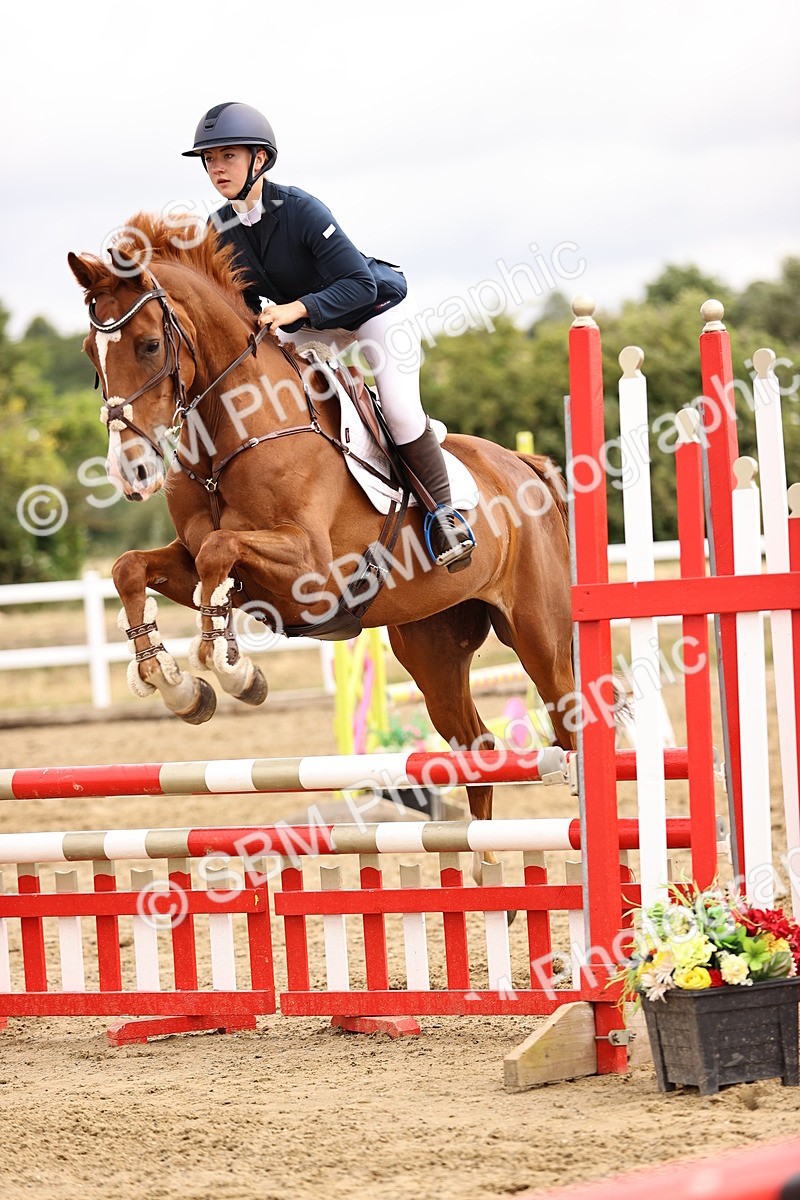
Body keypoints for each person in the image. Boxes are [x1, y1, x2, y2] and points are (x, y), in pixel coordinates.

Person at [183, 101, 475, 572]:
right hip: (309, 326)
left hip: (372, 312)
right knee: (277, 399)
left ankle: (446, 516)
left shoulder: (300, 209)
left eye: (228, 156)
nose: (216, 168)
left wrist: (296, 309)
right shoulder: (219, 227)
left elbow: (359, 284)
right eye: (210, 159)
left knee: (398, 411)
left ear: (260, 159)